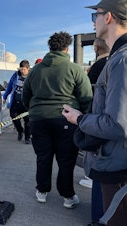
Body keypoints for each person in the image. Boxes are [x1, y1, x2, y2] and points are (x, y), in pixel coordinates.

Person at [63, 1, 127, 225]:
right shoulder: (118, 58)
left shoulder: (122, 59)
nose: (93, 22)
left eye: (95, 16)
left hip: (116, 169)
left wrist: (79, 118)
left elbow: (118, 124)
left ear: (108, 17)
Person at [22, 31, 93, 208]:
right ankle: (68, 197)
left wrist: (34, 110)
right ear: (67, 48)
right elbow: (86, 96)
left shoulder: (35, 70)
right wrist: (82, 117)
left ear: (50, 47)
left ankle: (42, 192)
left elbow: (25, 96)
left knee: (43, 157)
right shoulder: (74, 69)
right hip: (66, 119)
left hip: (39, 120)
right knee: (66, 159)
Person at [80, 37, 109, 226]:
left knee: (99, 175)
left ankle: (98, 218)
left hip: (98, 125)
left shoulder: (101, 66)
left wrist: (80, 118)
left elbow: (87, 96)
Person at [3, 60, 31, 144]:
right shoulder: (16, 75)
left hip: (26, 103)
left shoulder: (32, 76)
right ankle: (20, 130)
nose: (22, 71)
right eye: (21, 69)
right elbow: (9, 87)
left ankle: (27, 138)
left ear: (28, 69)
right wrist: (4, 97)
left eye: (24, 69)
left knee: (28, 121)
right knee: (14, 116)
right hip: (16, 101)